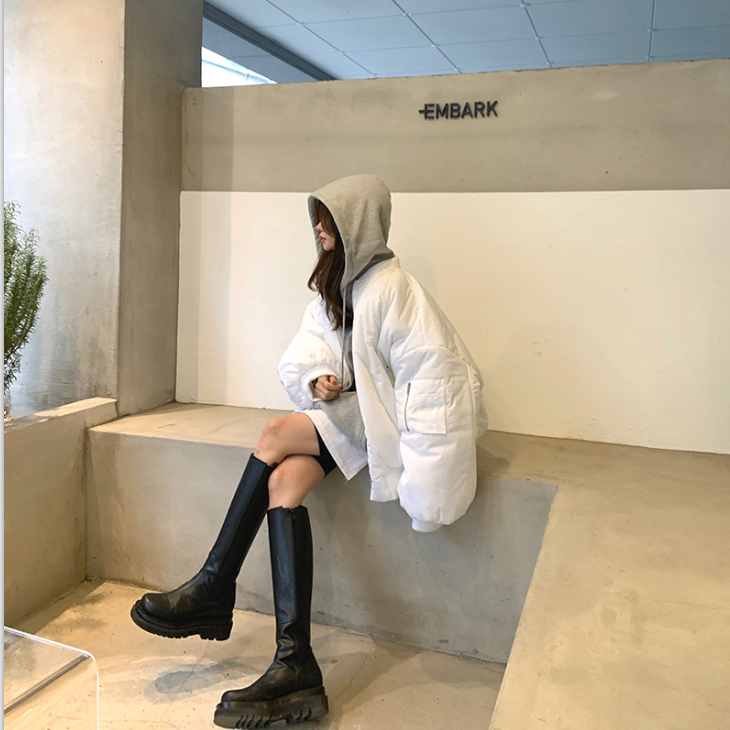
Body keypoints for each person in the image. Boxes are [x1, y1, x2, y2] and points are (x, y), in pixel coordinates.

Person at [130, 174, 488, 728]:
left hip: (384, 421)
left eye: (329, 217)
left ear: (357, 223)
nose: (319, 227)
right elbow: (311, 343)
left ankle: (214, 584)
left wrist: (430, 470)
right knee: (283, 484)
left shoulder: (393, 287)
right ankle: (295, 661)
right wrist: (317, 376)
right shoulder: (337, 283)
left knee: (274, 435)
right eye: (317, 216)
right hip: (348, 411)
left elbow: (434, 372)